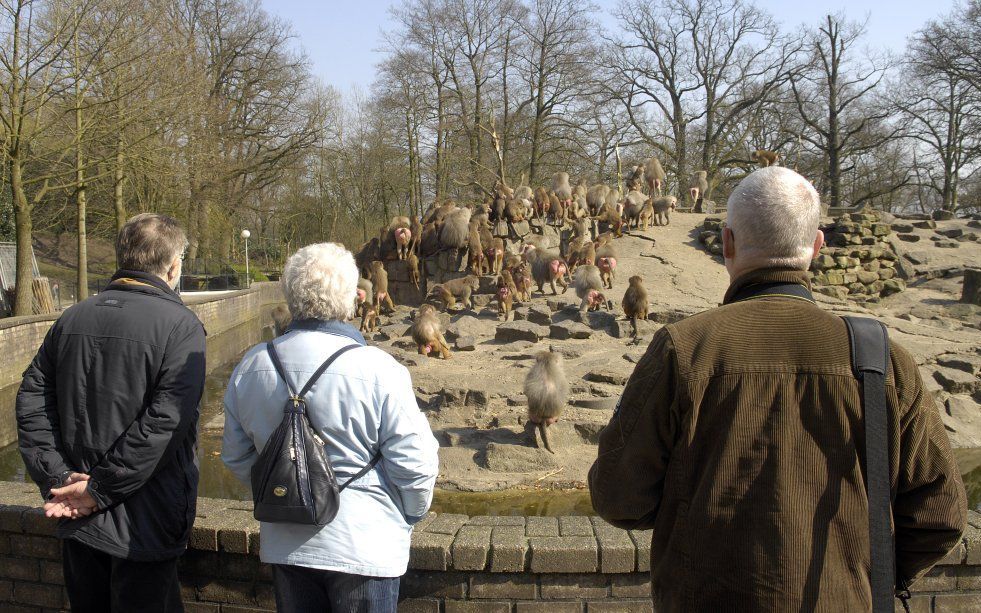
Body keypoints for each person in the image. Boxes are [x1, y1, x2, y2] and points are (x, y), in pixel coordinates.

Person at [588, 167, 967, 612]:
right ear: (818, 246)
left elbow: (618, 496)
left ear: (727, 242)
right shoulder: (883, 360)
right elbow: (941, 515)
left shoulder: (684, 348)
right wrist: (864, 577)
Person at [221, 242, 439, 613]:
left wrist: (285, 493)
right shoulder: (380, 370)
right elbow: (416, 466)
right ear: (354, 298)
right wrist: (407, 515)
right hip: (365, 546)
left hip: (287, 546)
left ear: (290, 296)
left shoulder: (252, 365)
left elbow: (237, 456)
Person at [17, 213, 206, 613]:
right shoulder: (181, 327)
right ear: (173, 266)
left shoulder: (72, 317)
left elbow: (32, 401)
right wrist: (96, 490)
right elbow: (164, 425)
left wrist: (59, 476)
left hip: (77, 515)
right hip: (144, 523)